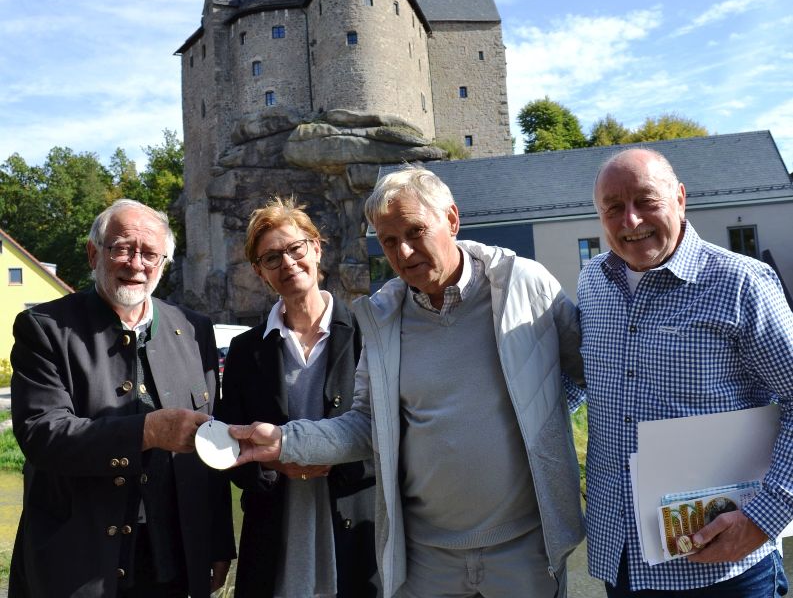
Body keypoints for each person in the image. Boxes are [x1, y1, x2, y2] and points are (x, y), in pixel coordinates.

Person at [229, 165, 585, 598]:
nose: (404, 251)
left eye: (415, 231)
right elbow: (366, 423)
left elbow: (591, 373)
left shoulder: (523, 284)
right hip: (425, 559)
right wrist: (286, 441)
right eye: (389, 241)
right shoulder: (382, 317)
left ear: (451, 219)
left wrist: (547, 413)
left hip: (526, 549)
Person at [579, 147, 793, 597]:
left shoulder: (741, 283)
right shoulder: (592, 281)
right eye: (613, 208)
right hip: (624, 560)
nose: (630, 220)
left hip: (727, 568)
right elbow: (578, 378)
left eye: (646, 201)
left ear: (679, 198)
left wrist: (765, 516)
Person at [9, 199, 235, 598]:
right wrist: (147, 431)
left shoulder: (194, 329)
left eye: (150, 254)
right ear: (93, 253)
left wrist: (217, 542)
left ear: (164, 263)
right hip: (80, 564)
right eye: (123, 248)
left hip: (172, 560)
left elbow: (209, 448)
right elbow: (43, 435)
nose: (136, 264)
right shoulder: (45, 328)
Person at [217, 196, 379, 597]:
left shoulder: (369, 334)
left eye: (295, 248)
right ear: (259, 272)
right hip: (276, 537)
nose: (287, 263)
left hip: (357, 533)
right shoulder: (245, 351)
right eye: (272, 258)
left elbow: (392, 432)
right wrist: (274, 465)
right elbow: (228, 447)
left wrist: (330, 457)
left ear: (316, 248)